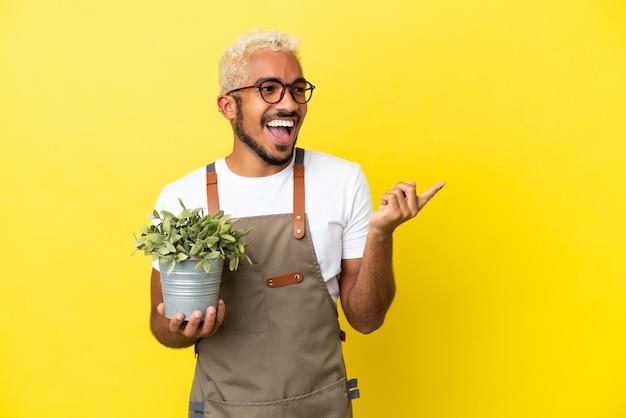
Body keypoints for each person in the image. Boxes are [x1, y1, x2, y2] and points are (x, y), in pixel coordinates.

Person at [149, 29, 445, 418]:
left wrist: (381, 233)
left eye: (297, 89)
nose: (288, 103)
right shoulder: (181, 199)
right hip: (223, 410)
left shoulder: (343, 180)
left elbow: (367, 319)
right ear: (228, 106)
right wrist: (183, 328)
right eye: (269, 89)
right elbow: (161, 326)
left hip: (323, 408)